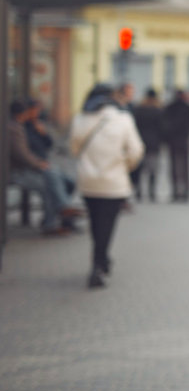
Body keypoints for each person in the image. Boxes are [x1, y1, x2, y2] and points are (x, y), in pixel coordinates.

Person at [70, 83, 144, 288]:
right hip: (113, 183)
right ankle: (99, 264)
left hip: (87, 181)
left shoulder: (80, 118)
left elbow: (74, 149)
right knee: (107, 224)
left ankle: (100, 259)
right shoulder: (123, 119)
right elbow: (136, 151)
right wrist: (123, 167)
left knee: (95, 222)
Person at [8, 99, 82, 234]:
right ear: (26, 112)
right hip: (26, 169)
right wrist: (39, 164)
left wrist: (42, 132)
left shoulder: (33, 125)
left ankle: (63, 213)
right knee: (49, 183)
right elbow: (22, 154)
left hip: (38, 165)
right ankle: (56, 218)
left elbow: (49, 144)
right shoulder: (16, 128)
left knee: (67, 182)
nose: (37, 113)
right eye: (35, 110)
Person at [162, 89, 189, 202]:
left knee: (174, 166)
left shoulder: (170, 108)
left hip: (173, 140)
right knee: (185, 167)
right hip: (184, 140)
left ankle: (175, 191)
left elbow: (165, 124)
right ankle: (185, 192)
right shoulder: (188, 108)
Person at [132, 88, 163, 202]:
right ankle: (151, 193)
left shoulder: (139, 109)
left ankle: (139, 192)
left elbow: (134, 126)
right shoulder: (158, 110)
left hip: (140, 142)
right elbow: (162, 128)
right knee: (152, 170)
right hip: (154, 144)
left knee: (140, 169)